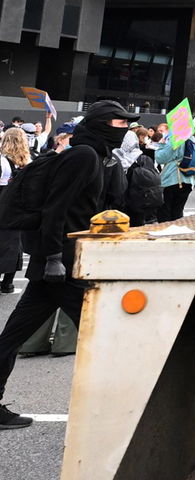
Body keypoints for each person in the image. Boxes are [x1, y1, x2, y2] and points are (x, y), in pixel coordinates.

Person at [0, 100, 137, 428]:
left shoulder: (93, 155)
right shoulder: (83, 156)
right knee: (109, 333)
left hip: (63, 262)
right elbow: (55, 209)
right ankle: (124, 409)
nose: (125, 129)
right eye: (120, 124)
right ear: (103, 124)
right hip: (62, 265)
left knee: (12, 336)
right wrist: (51, 260)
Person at [0, 126, 30, 293]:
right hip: (19, 210)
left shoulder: (2, 161)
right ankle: (8, 283)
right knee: (14, 245)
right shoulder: (29, 162)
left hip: (3, 206)